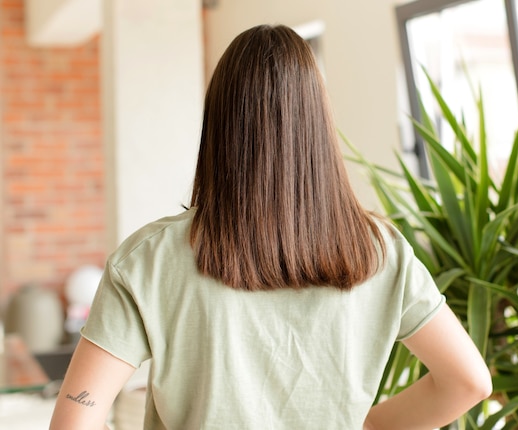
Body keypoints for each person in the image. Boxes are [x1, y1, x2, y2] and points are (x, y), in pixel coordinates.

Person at [50, 24, 491, 430]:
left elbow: (74, 420)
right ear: (317, 126)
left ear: (219, 127)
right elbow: (469, 383)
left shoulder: (148, 259)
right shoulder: (382, 253)